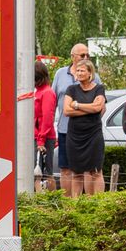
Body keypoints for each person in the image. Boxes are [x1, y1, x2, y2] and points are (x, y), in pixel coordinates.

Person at [52, 43, 97, 190]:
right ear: (72, 57)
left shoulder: (95, 77)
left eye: (88, 55)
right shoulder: (60, 74)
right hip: (65, 129)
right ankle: (68, 205)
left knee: (88, 169)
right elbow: (53, 101)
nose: (86, 58)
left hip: (87, 131)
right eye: (82, 55)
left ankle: (88, 204)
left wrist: (91, 120)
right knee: (65, 168)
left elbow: (100, 106)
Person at [61, 59, 107, 196]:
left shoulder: (99, 88)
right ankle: (76, 205)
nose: (79, 73)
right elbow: (66, 111)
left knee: (96, 171)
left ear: (90, 73)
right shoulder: (72, 89)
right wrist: (90, 109)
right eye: (78, 71)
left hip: (93, 135)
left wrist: (77, 105)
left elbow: (99, 107)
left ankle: (98, 203)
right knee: (76, 172)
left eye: (82, 71)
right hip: (75, 136)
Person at [33, 61, 56, 192]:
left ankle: (52, 198)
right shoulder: (37, 92)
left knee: (46, 172)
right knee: (36, 172)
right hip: (37, 136)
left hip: (44, 137)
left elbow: (47, 118)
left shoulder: (47, 92)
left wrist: (41, 140)